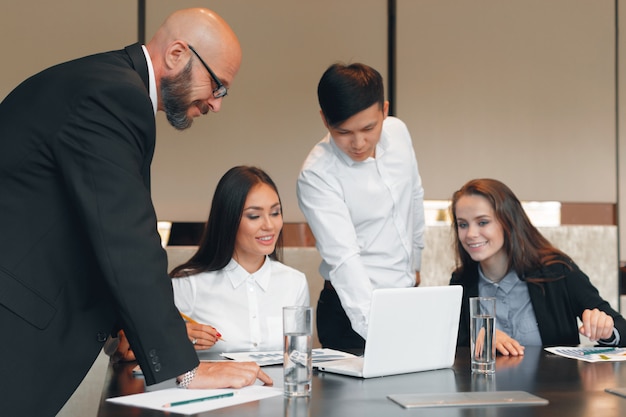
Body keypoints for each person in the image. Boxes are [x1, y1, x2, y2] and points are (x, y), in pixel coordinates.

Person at [0, 8, 271, 417]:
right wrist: (185, 370)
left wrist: (127, 325)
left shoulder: (102, 82)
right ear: (178, 54)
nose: (216, 104)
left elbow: (86, 225)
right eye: (217, 86)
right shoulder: (113, 96)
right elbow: (126, 239)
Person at [113, 166, 309, 358]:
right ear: (228, 219)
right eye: (254, 216)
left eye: (275, 213)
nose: (269, 225)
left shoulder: (294, 283)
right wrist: (178, 339)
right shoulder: (188, 284)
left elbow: (298, 358)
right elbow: (125, 348)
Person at [296, 63, 425, 350]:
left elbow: (414, 196)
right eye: (343, 132)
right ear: (324, 120)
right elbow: (344, 261)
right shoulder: (317, 175)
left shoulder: (399, 133)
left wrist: (415, 263)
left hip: (405, 299)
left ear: (384, 110)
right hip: (352, 311)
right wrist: (379, 331)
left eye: (369, 128)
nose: (358, 143)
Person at [449, 178, 626, 356]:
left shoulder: (558, 271)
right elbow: (449, 343)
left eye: (482, 222)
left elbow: (622, 329)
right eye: (463, 224)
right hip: (485, 384)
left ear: (508, 222)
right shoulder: (461, 281)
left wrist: (606, 329)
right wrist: (479, 338)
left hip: (554, 383)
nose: (470, 234)